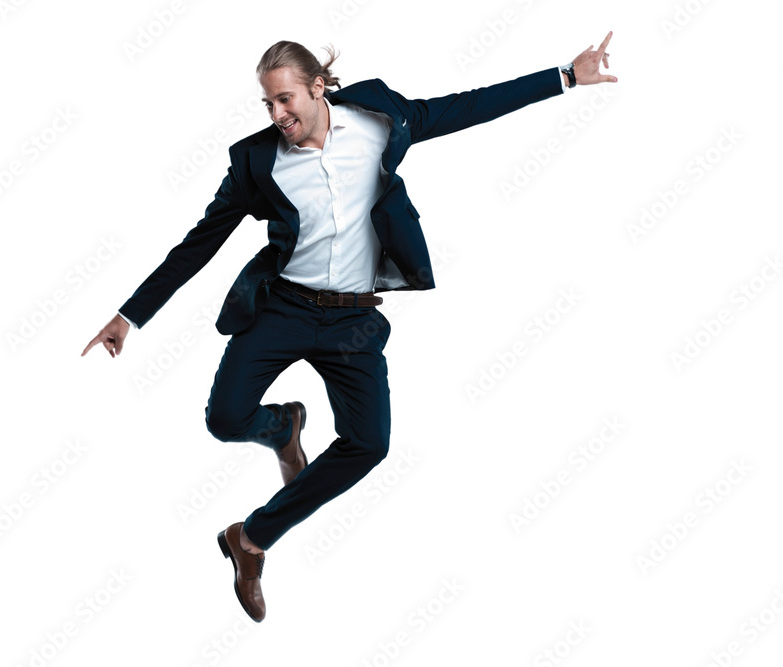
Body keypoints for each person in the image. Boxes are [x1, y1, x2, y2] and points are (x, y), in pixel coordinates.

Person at [82, 32, 617, 622]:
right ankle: (282, 428)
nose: (277, 114)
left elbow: (467, 107)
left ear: (317, 87)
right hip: (282, 308)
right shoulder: (256, 161)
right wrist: (129, 315)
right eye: (267, 104)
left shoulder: (379, 118)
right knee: (224, 419)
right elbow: (199, 244)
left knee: (369, 444)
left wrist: (565, 75)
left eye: (285, 100)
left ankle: (252, 539)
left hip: (353, 321)